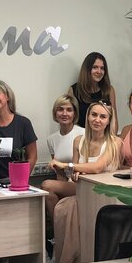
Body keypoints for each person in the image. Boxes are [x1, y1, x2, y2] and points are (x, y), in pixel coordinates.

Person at [52, 102, 121, 263]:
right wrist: (75, 172)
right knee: (64, 207)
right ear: (88, 116)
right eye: (94, 115)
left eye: (102, 117)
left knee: (71, 206)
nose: (97, 120)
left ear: (109, 121)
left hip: (105, 196)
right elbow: (75, 172)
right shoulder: (79, 140)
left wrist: (67, 165)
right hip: (82, 191)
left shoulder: (115, 142)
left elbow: (97, 167)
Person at [0, 79, 38, 181]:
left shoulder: (23, 123)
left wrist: (21, 178)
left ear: (7, 96)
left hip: (16, 182)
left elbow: (32, 156)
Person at [42, 94, 84, 224]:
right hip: (66, 183)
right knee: (48, 193)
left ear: (74, 114)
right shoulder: (51, 139)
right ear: (55, 113)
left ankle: (58, 229)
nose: (64, 113)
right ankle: (59, 229)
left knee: (46, 185)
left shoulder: (83, 133)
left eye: (69, 110)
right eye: (60, 109)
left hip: (81, 183)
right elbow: (59, 173)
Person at [68, 51, 118, 130]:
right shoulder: (74, 91)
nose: (99, 71)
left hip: (104, 136)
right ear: (87, 69)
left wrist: (112, 137)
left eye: (102, 68)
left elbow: (114, 121)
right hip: (82, 135)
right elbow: (71, 121)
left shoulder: (109, 90)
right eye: (95, 67)